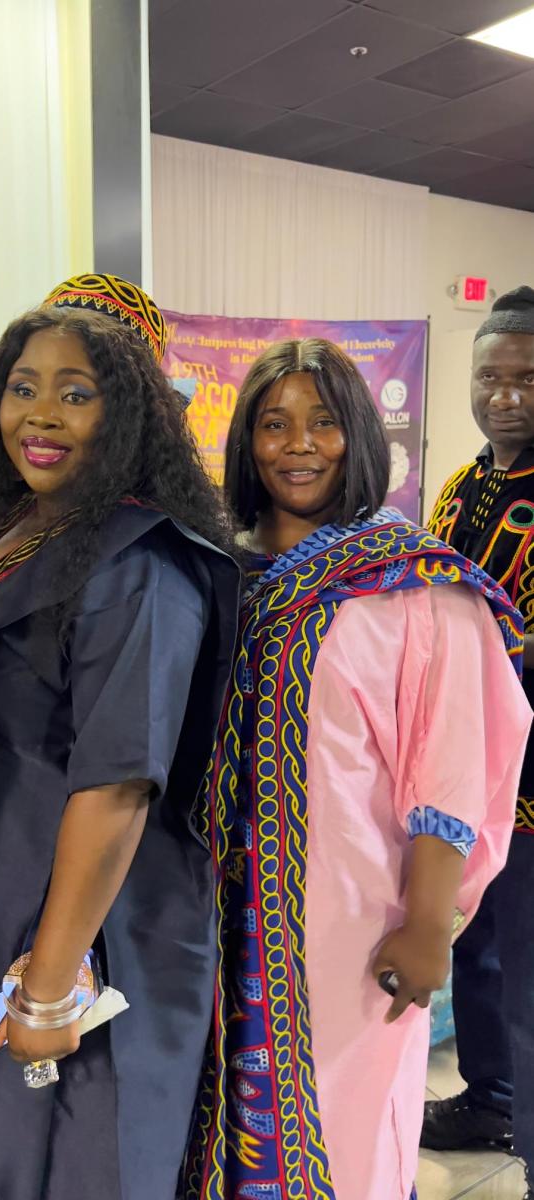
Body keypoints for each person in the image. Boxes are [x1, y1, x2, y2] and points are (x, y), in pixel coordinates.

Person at [0, 274, 240, 1200]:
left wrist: (46, 987)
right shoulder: (18, 533)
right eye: (23, 387)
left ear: (131, 414)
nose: (41, 414)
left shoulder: (140, 564)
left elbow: (117, 785)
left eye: (77, 393)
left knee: (39, 1159)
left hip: (70, 923)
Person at [179, 338, 531, 1200]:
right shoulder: (213, 569)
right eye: (273, 423)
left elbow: (452, 762)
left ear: (361, 435)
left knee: (345, 1133)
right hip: (203, 912)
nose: (298, 444)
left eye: (324, 422)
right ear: (246, 440)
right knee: (210, 1129)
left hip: (349, 921)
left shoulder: (413, 584)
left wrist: (428, 924)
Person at [422, 286, 534, 1197]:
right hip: (468, 771)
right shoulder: (461, 486)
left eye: (526, 378)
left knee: (525, 971)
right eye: (489, 377)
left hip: (531, 775)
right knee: (476, 947)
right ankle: (489, 1096)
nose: (504, 396)